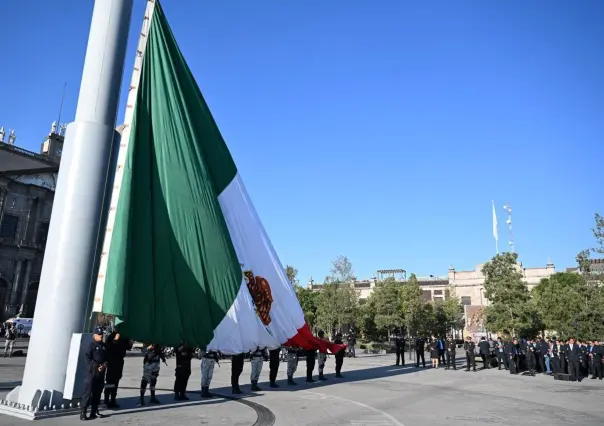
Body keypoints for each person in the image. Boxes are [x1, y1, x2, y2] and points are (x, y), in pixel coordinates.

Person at [81, 327, 107, 421]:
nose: (101, 336)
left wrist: (104, 365)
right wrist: (95, 366)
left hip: (100, 373)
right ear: (94, 336)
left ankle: (94, 412)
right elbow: (87, 358)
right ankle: (83, 412)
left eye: (102, 334)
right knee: (87, 393)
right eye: (99, 334)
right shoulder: (91, 346)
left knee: (97, 393)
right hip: (92, 373)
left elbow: (107, 359)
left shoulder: (104, 346)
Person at [104, 326, 132, 408]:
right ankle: (106, 398)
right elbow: (108, 347)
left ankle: (113, 399)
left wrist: (131, 340)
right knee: (109, 380)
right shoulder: (111, 336)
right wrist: (115, 340)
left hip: (119, 361)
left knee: (116, 379)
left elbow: (128, 347)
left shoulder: (124, 337)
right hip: (112, 361)